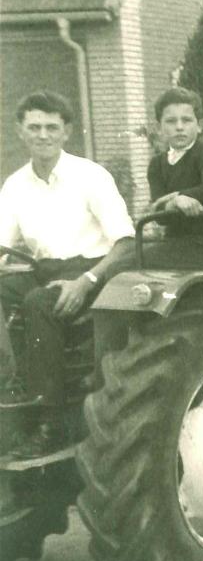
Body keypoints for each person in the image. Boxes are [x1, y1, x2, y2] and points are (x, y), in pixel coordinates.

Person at [0, 90, 135, 456]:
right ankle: (8, 385)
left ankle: (50, 421)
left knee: (38, 303)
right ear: (20, 131)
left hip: (93, 271)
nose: (42, 135)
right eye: (34, 127)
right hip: (43, 269)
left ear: (66, 132)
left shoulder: (90, 176)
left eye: (51, 127)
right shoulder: (15, 186)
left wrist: (86, 280)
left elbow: (125, 243)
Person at [141, 87, 203, 269]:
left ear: (200, 125)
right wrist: (173, 203)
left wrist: (176, 195)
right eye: (171, 121)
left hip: (201, 244)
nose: (179, 127)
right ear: (159, 127)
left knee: (123, 267)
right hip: (172, 242)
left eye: (186, 120)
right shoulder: (157, 164)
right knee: (120, 263)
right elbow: (159, 212)